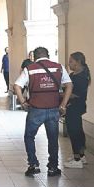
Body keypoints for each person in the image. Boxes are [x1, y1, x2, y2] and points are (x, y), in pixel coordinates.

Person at [13, 47, 73, 177]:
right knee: (52, 139)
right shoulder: (59, 67)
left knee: (29, 136)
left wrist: (23, 102)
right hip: (53, 109)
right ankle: (53, 168)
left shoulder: (29, 69)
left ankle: (33, 165)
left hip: (36, 109)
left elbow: (16, 85)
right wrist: (62, 105)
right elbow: (69, 85)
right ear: (48, 55)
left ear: (34, 57)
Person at [63, 52, 91, 168]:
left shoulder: (82, 76)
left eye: (71, 61)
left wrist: (63, 94)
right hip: (73, 106)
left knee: (74, 131)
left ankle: (77, 159)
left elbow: (74, 94)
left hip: (74, 107)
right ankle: (81, 155)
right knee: (78, 130)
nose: (69, 64)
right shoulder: (74, 74)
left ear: (78, 62)